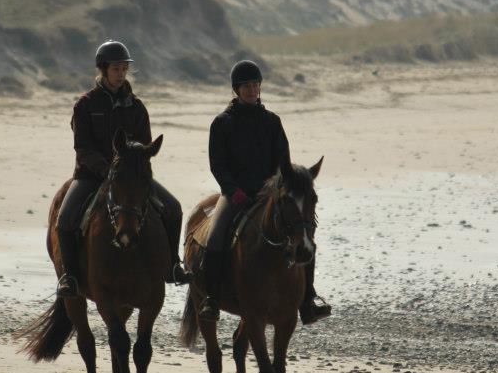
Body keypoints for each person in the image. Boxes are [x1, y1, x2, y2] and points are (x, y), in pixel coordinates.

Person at [55, 40, 191, 298]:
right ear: (103, 70)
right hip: (90, 176)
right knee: (65, 220)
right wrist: (106, 170)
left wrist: (131, 165)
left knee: (173, 208)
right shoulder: (85, 105)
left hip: (130, 178)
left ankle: (172, 265)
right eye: (116, 69)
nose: (120, 74)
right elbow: (82, 148)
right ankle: (69, 277)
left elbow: (144, 145)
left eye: (123, 69)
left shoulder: (137, 107)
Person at [199, 60, 331, 325]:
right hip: (235, 194)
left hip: (269, 193)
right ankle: (211, 299)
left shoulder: (272, 121)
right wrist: (233, 192)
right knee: (215, 236)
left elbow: (283, 163)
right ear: (236, 89)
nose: (252, 90)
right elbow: (218, 165)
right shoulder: (222, 123)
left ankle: (308, 298)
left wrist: (279, 188)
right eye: (246, 86)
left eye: (255, 85)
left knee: (304, 235)